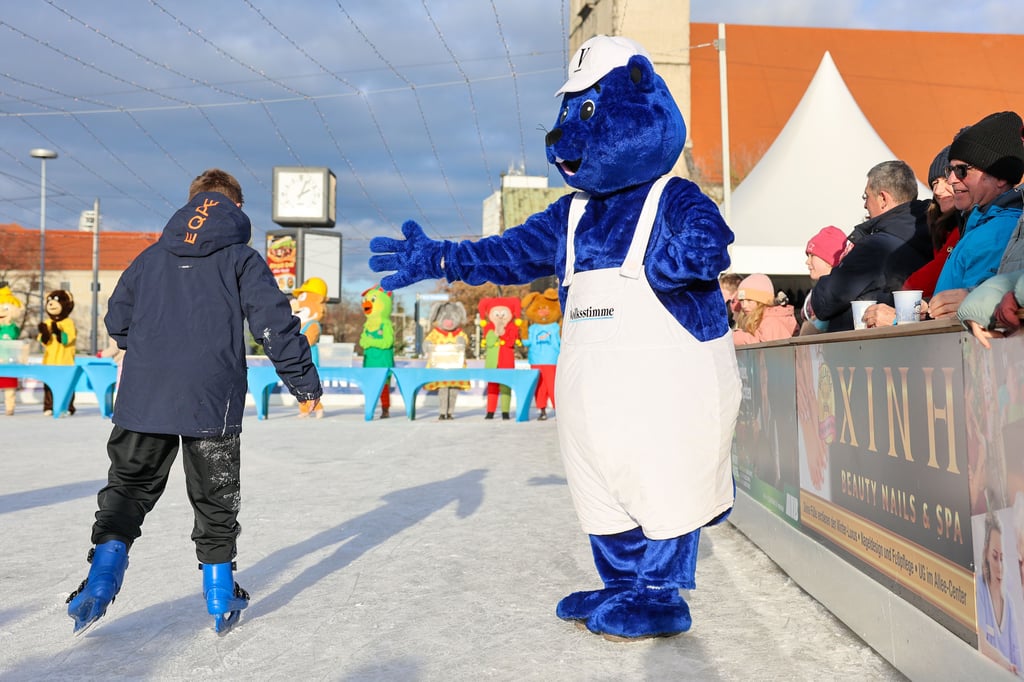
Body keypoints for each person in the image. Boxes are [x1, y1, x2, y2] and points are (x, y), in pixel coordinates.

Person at [65, 169, 322, 635]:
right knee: (215, 496)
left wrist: (153, 344)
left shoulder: (150, 257)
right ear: (236, 209)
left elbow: (117, 321)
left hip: (144, 397)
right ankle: (220, 591)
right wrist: (303, 383)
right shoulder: (242, 259)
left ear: (190, 204)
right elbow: (273, 325)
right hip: (212, 399)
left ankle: (101, 579)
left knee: (127, 488)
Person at [803, 160, 932, 332]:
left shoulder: (876, 247)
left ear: (883, 198)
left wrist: (831, 274)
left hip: (864, 351)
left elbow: (824, 302)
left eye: (867, 197)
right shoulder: (931, 235)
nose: (865, 205)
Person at [926, 111, 1024, 320]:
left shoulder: (1000, 231)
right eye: (949, 170)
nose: (951, 179)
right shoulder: (980, 223)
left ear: (999, 178)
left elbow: (969, 314)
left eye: (962, 170)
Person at [862, 140, 969, 327]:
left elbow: (934, 273)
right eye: (934, 183)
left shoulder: (964, 226)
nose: (937, 190)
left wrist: (904, 296)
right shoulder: (937, 226)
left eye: (944, 180)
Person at [976, 508, 1022, 673]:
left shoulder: (1008, 603)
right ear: (986, 554)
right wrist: (1006, 665)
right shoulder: (979, 588)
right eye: (995, 557)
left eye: (1002, 558)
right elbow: (981, 644)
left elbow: (1017, 656)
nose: (1000, 567)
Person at [799, 226, 851, 334]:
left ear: (828, 260)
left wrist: (810, 327)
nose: (807, 262)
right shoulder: (815, 293)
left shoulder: (842, 293)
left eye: (812, 255)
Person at [37, 289, 77, 415]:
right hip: (50, 361)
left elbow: (67, 339)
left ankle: (68, 407)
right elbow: (44, 342)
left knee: (66, 385)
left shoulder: (68, 322)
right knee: (48, 385)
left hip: (65, 361)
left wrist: (58, 332)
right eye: (49, 301)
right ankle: (49, 406)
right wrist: (45, 333)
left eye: (55, 301)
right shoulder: (48, 322)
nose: (51, 304)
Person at [733, 274, 798, 345]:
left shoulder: (770, 322)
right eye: (741, 300)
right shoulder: (757, 319)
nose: (744, 305)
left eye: (749, 300)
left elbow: (770, 349)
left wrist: (737, 337)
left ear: (762, 302)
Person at [0, 285, 25, 415]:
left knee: (9, 387)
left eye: (5, 308)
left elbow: (14, 334)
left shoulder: (12, 327)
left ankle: (10, 407)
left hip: (8, 361)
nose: (1, 312)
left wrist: (8, 323)